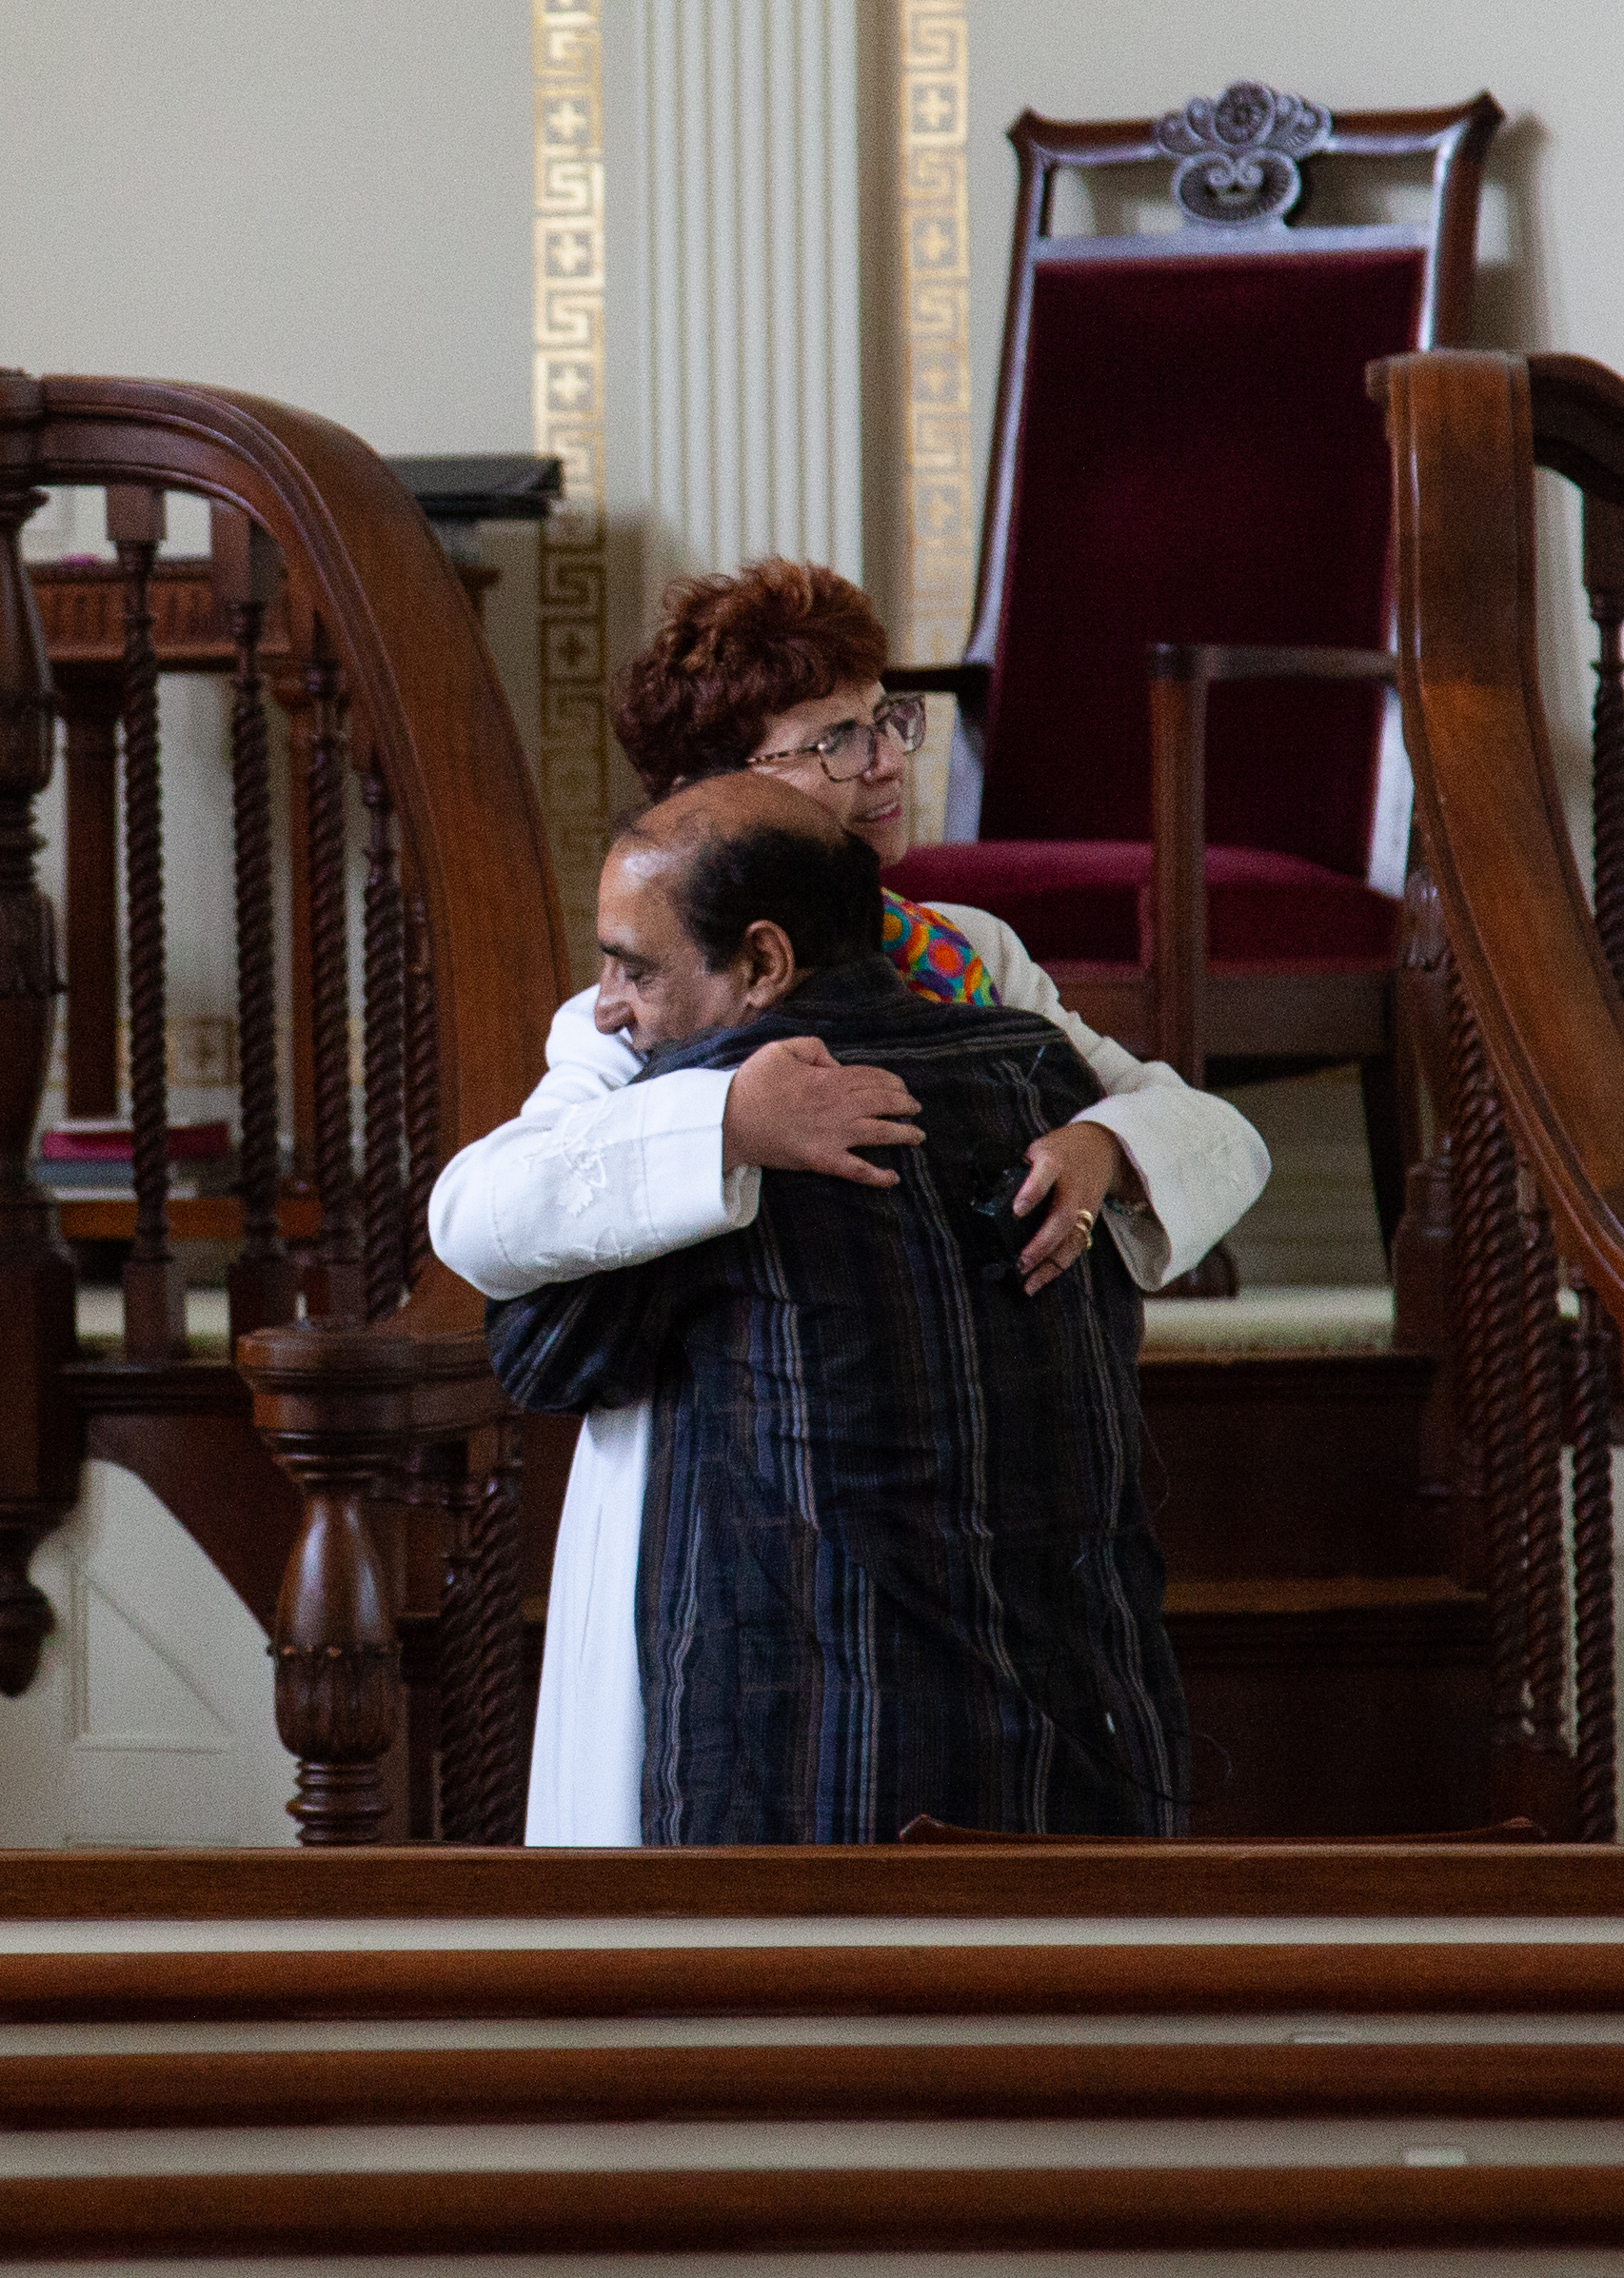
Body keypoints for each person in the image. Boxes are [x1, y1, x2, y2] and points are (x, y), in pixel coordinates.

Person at [426, 555, 1266, 1844]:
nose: (884, 763)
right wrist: (730, 1119)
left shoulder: (968, 956)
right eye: (834, 740)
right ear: (727, 795)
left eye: (889, 720)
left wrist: (1102, 1144)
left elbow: (1213, 1134)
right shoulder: (636, 1007)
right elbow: (484, 1215)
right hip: (709, 1514)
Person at [483, 777, 1187, 1841]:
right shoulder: (1045, 1077)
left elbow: (536, 1353)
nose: (608, 1008)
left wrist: (687, 1133)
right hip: (1087, 1738)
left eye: (632, 968)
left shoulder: (725, 1107)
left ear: (762, 962)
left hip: (820, 1770)